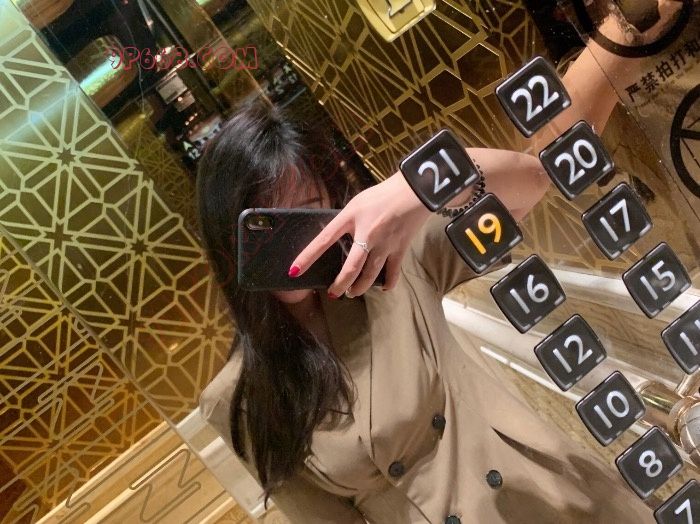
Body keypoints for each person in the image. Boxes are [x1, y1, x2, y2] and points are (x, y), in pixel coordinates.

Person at [196, 4, 681, 522]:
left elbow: (532, 182)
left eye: (308, 212)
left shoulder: (388, 269)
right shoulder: (235, 400)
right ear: (230, 242)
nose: (298, 244)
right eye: (269, 225)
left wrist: (415, 188)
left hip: (551, 502)